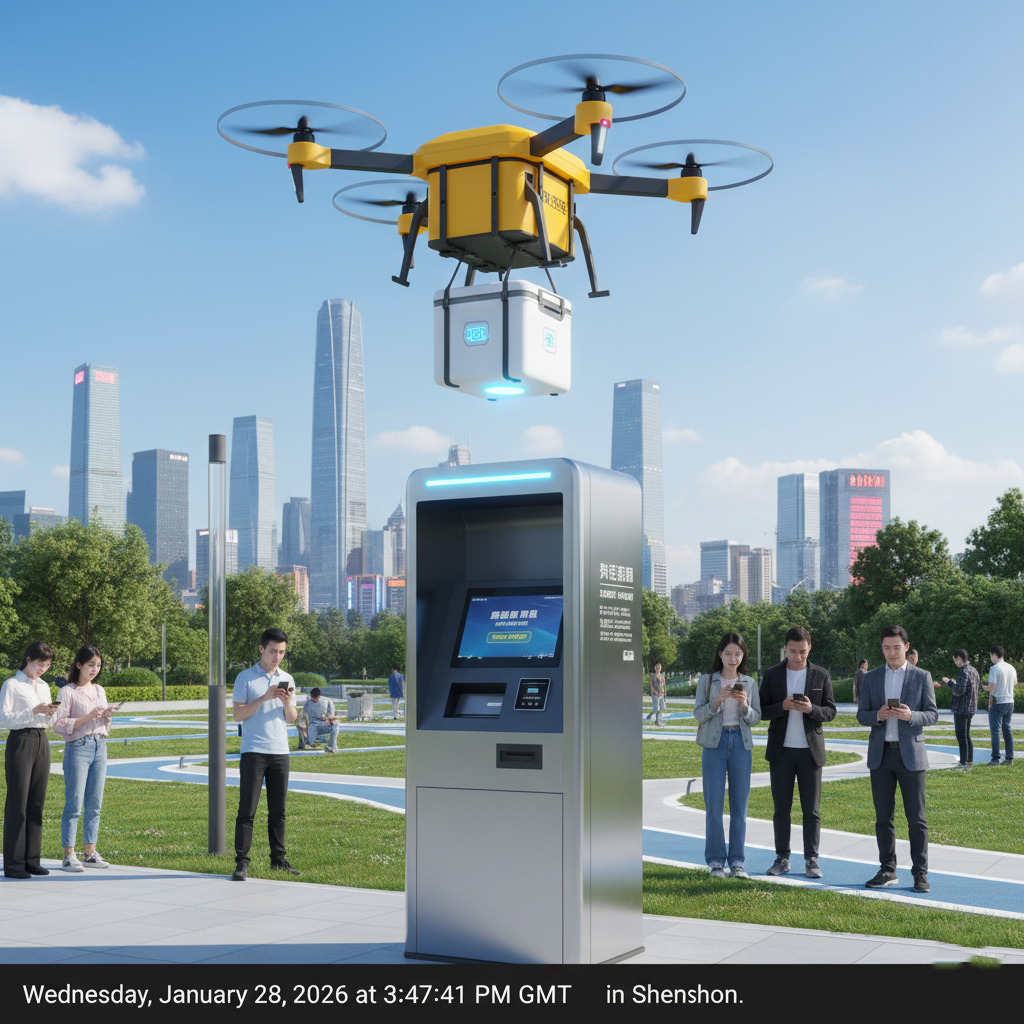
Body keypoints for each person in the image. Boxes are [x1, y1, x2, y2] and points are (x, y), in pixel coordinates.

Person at [857, 624, 938, 891]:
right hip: (881, 756)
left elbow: (933, 714)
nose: (891, 652)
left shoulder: (922, 676)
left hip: (911, 756)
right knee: (883, 818)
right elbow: (862, 715)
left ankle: (920, 873)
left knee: (917, 819)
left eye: (896, 647)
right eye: (886, 648)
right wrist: (878, 715)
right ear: (881, 648)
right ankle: (887, 869)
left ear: (906, 646)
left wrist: (911, 716)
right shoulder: (871, 678)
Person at [759, 626, 836, 879]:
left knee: (811, 810)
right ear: (785, 649)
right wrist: (782, 706)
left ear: (809, 648)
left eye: (802, 651)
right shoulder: (772, 675)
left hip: (810, 752)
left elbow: (830, 711)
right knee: (781, 809)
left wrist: (811, 709)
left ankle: (811, 859)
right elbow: (761, 711)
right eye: (792, 651)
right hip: (780, 751)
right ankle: (782, 858)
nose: (797, 656)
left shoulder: (821, 674)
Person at [231, 627, 300, 881]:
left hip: (280, 751)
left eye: (281, 652)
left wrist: (285, 702)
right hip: (253, 752)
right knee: (247, 811)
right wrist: (264, 697)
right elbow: (238, 714)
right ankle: (242, 862)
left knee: (278, 811)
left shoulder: (288, 679)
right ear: (261, 649)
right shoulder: (245, 678)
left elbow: (291, 719)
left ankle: (278, 860)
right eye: (273, 651)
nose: (277, 657)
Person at [693, 634, 761, 878]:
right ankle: (715, 862)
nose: (733, 659)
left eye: (738, 654)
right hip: (714, 745)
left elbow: (756, 718)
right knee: (713, 806)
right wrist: (716, 701)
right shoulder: (707, 680)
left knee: (739, 808)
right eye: (729, 653)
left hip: (741, 745)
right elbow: (698, 714)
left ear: (743, 656)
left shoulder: (749, 683)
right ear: (720, 654)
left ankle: (737, 863)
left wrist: (744, 706)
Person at [52, 646, 116, 871]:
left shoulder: (99, 690)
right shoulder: (67, 692)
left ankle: (90, 852)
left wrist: (107, 716)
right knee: (74, 802)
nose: (95, 669)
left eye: (98, 665)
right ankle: (68, 854)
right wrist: (87, 717)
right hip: (78, 748)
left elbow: (104, 726)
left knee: (95, 803)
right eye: (90, 665)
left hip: (100, 746)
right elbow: (58, 725)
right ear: (79, 665)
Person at [1, 642, 59, 878]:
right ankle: (14, 864)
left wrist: (50, 714)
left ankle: (32, 860)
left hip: (41, 740)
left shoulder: (44, 686)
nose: (43, 669)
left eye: (47, 665)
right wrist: (33, 711)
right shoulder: (12, 685)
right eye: (39, 664)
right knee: (18, 802)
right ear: (28, 660)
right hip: (20, 741)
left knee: (36, 803)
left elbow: (47, 720)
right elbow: (3, 719)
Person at [938, 650, 980, 767]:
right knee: (966, 734)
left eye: (955, 659)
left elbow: (959, 691)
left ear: (959, 658)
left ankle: (963, 762)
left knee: (961, 735)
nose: (955, 662)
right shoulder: (973, 670)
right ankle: (969, 760)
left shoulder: (963, 671)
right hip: (971, 707)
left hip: (962, 708)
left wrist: (949, 682)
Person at [983, 645, 1016, 766]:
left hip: (997, 702)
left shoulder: (994, 668)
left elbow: (992, 687)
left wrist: (985, 688)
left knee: (995, 730)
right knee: (1007, 729)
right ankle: (1009, 757)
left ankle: (995, 758)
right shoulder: (1011, 667)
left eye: (990, 656)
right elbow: (1015, 683)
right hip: (1010, 701)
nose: (991, 658)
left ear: (993, 655)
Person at [303, 687, 339, 752]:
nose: (314, 699)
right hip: (313, 725)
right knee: (310, 745)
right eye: (312, 697)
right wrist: (305, 725)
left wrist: (328, 719)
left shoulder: (327, 701)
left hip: (323, 725)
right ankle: (311, 742)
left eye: (315, 698)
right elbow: (303, 714)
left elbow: (331, 715)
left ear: (319, 696)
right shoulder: (308, 702)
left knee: (336, 724)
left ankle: (332, 746)